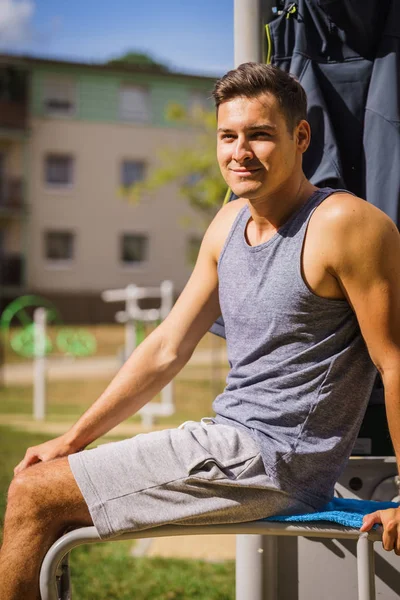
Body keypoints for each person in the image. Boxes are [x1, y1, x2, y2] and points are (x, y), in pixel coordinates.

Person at [1, 62, 400, 599]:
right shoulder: (228, 223)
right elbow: (168, 346)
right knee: (46, 503)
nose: (240, 151)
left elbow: (393, 362)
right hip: (227, 443)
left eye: (259, 135)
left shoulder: (345, 224)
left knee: (31, 496)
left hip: (273, 460)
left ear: (300, 136)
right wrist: (73, 439)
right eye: (227, 136)